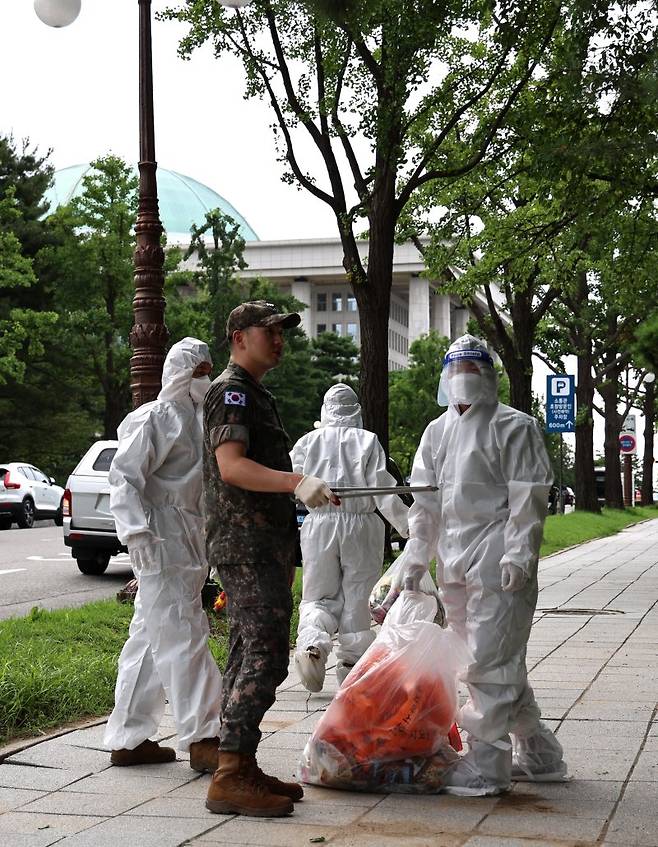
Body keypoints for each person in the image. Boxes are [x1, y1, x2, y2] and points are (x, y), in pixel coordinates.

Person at [395, 334, 567, 795]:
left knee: (488, 662)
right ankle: (541, 754)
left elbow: (527, 498)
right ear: (445, 377)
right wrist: (416, 555)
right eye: (457, 371)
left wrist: (519, 554)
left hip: (496, 557)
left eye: (473, 370)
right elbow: (424, 503)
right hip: (453, 559)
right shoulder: (437, 431)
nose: (463, 380)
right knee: (490, 658)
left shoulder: (515, 426)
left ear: (488, 376)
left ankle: (487, 763)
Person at [203, 300, 339, 818]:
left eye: (283, 331)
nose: (279, 339)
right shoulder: (231, 391)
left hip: (262, 544)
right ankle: (230, 775)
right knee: (265, 658)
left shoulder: (254, 392)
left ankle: (239, 764)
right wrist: (295, 482)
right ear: (239, 336)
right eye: (270, 330)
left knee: (247, 655)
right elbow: (232, 467)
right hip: (245, 545)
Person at [104, 337, 223, 774]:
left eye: (209, 369)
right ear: (179, 373)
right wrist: (136, 534)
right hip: (160, 539)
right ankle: (206, 736)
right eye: (199, 370)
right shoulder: (156, 417)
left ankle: (129, 738)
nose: (205, 378)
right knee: (185, 633)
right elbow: (124, 479)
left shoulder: (198, 420)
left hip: (186, 538)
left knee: (150, 638)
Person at [291, 383, 410, 691]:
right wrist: (410, 528)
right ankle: (351, 669)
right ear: (357, 411)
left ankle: (312, 646)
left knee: (319, 595)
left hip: (319, 525)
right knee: (358, 598)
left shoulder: (308, 442)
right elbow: (382, 490)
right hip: (361, 526)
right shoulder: (368, 441)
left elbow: (288, 480)